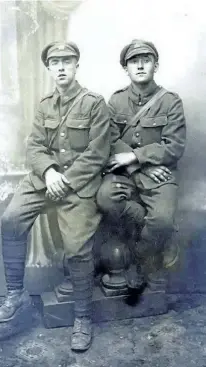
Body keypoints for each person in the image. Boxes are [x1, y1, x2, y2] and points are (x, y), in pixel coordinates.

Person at [0, 41, 110, 351]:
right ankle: (15, 296)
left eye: (67, 61)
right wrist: (49, 173)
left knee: (76, 248)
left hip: (79, 184)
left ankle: (83, 317)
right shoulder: (44, 104)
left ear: (76, 65)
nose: (60, 66)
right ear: (48, 68)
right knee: (11, 219)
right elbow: (34, 147)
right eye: (54, 62)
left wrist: (66, 179)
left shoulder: (95, 103)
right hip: (46, 180)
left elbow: (97, 154)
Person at [97, 39, 186, 289]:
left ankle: (141, 259)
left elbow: (175, 146)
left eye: (146, 60)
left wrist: (136, 157)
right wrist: (137, 166)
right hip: (125, 173)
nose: (140, 66)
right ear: (126, 68)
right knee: (105, 198)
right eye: (133, 61)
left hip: (160, 174)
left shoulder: (170, 101)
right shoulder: (115, 102)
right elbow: (110, 140)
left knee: (163, 221)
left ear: (155, 66)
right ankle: (154, 235)